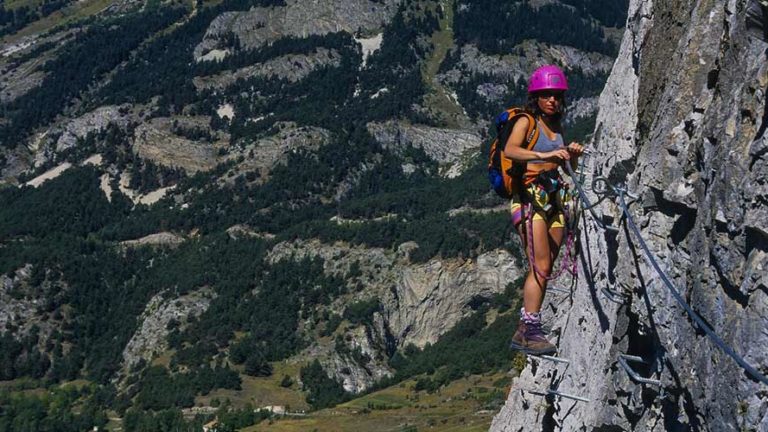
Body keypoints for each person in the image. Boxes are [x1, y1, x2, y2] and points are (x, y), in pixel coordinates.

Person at [505, 65, 583, 355]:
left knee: (548, 264)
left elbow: (564, 167)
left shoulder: (556, 127)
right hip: (529, 198)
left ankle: (528, 329)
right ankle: (529, 328)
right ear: (535, 97)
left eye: (556, 95)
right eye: (546, 95)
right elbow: (510, 150)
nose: (552, 100)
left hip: (553, 197)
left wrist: (569, 156)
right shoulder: (527, 122)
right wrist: (544, 153)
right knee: (540, 266)